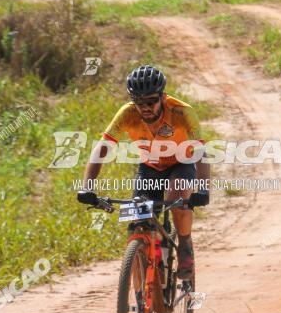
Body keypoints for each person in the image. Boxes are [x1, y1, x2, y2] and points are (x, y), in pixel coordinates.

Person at [77, 65, 209, 279]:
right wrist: (87, 187)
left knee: (177, 199)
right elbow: (102, 148)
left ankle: (185, 244)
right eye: (139, 102)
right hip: (150, 167)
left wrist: (203, 189)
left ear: (163, 97)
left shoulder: (182, 112)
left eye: (151, 101)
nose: (145, 107)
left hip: (181, 163)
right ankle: (140, 296)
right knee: (138, 220)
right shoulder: (127, 113)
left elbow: (201, 152)